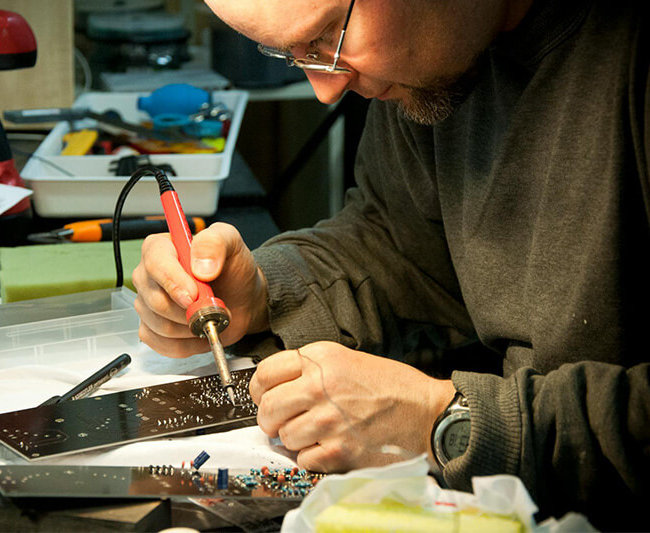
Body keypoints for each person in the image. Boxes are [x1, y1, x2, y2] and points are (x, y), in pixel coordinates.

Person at [132, 0, 649, 528]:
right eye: (291, 55)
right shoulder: (433, 62)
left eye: (329, 36)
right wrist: (266, 292)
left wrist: (445, 420)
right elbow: (403, 243)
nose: (325, 88)